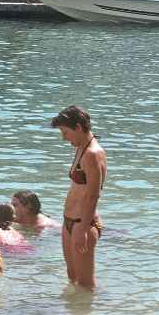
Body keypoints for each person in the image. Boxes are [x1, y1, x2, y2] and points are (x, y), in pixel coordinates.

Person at [51, 105, 107, 290]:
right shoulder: (81, 147)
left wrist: (82, 229)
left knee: (85, 284)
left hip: (83, 223)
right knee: (72, 277)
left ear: (78, 127)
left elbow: (93, 195)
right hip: (70, 221)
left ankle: (94, 308)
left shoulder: (92, 154)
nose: (64, 138)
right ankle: (75, 310)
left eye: (65, 132)